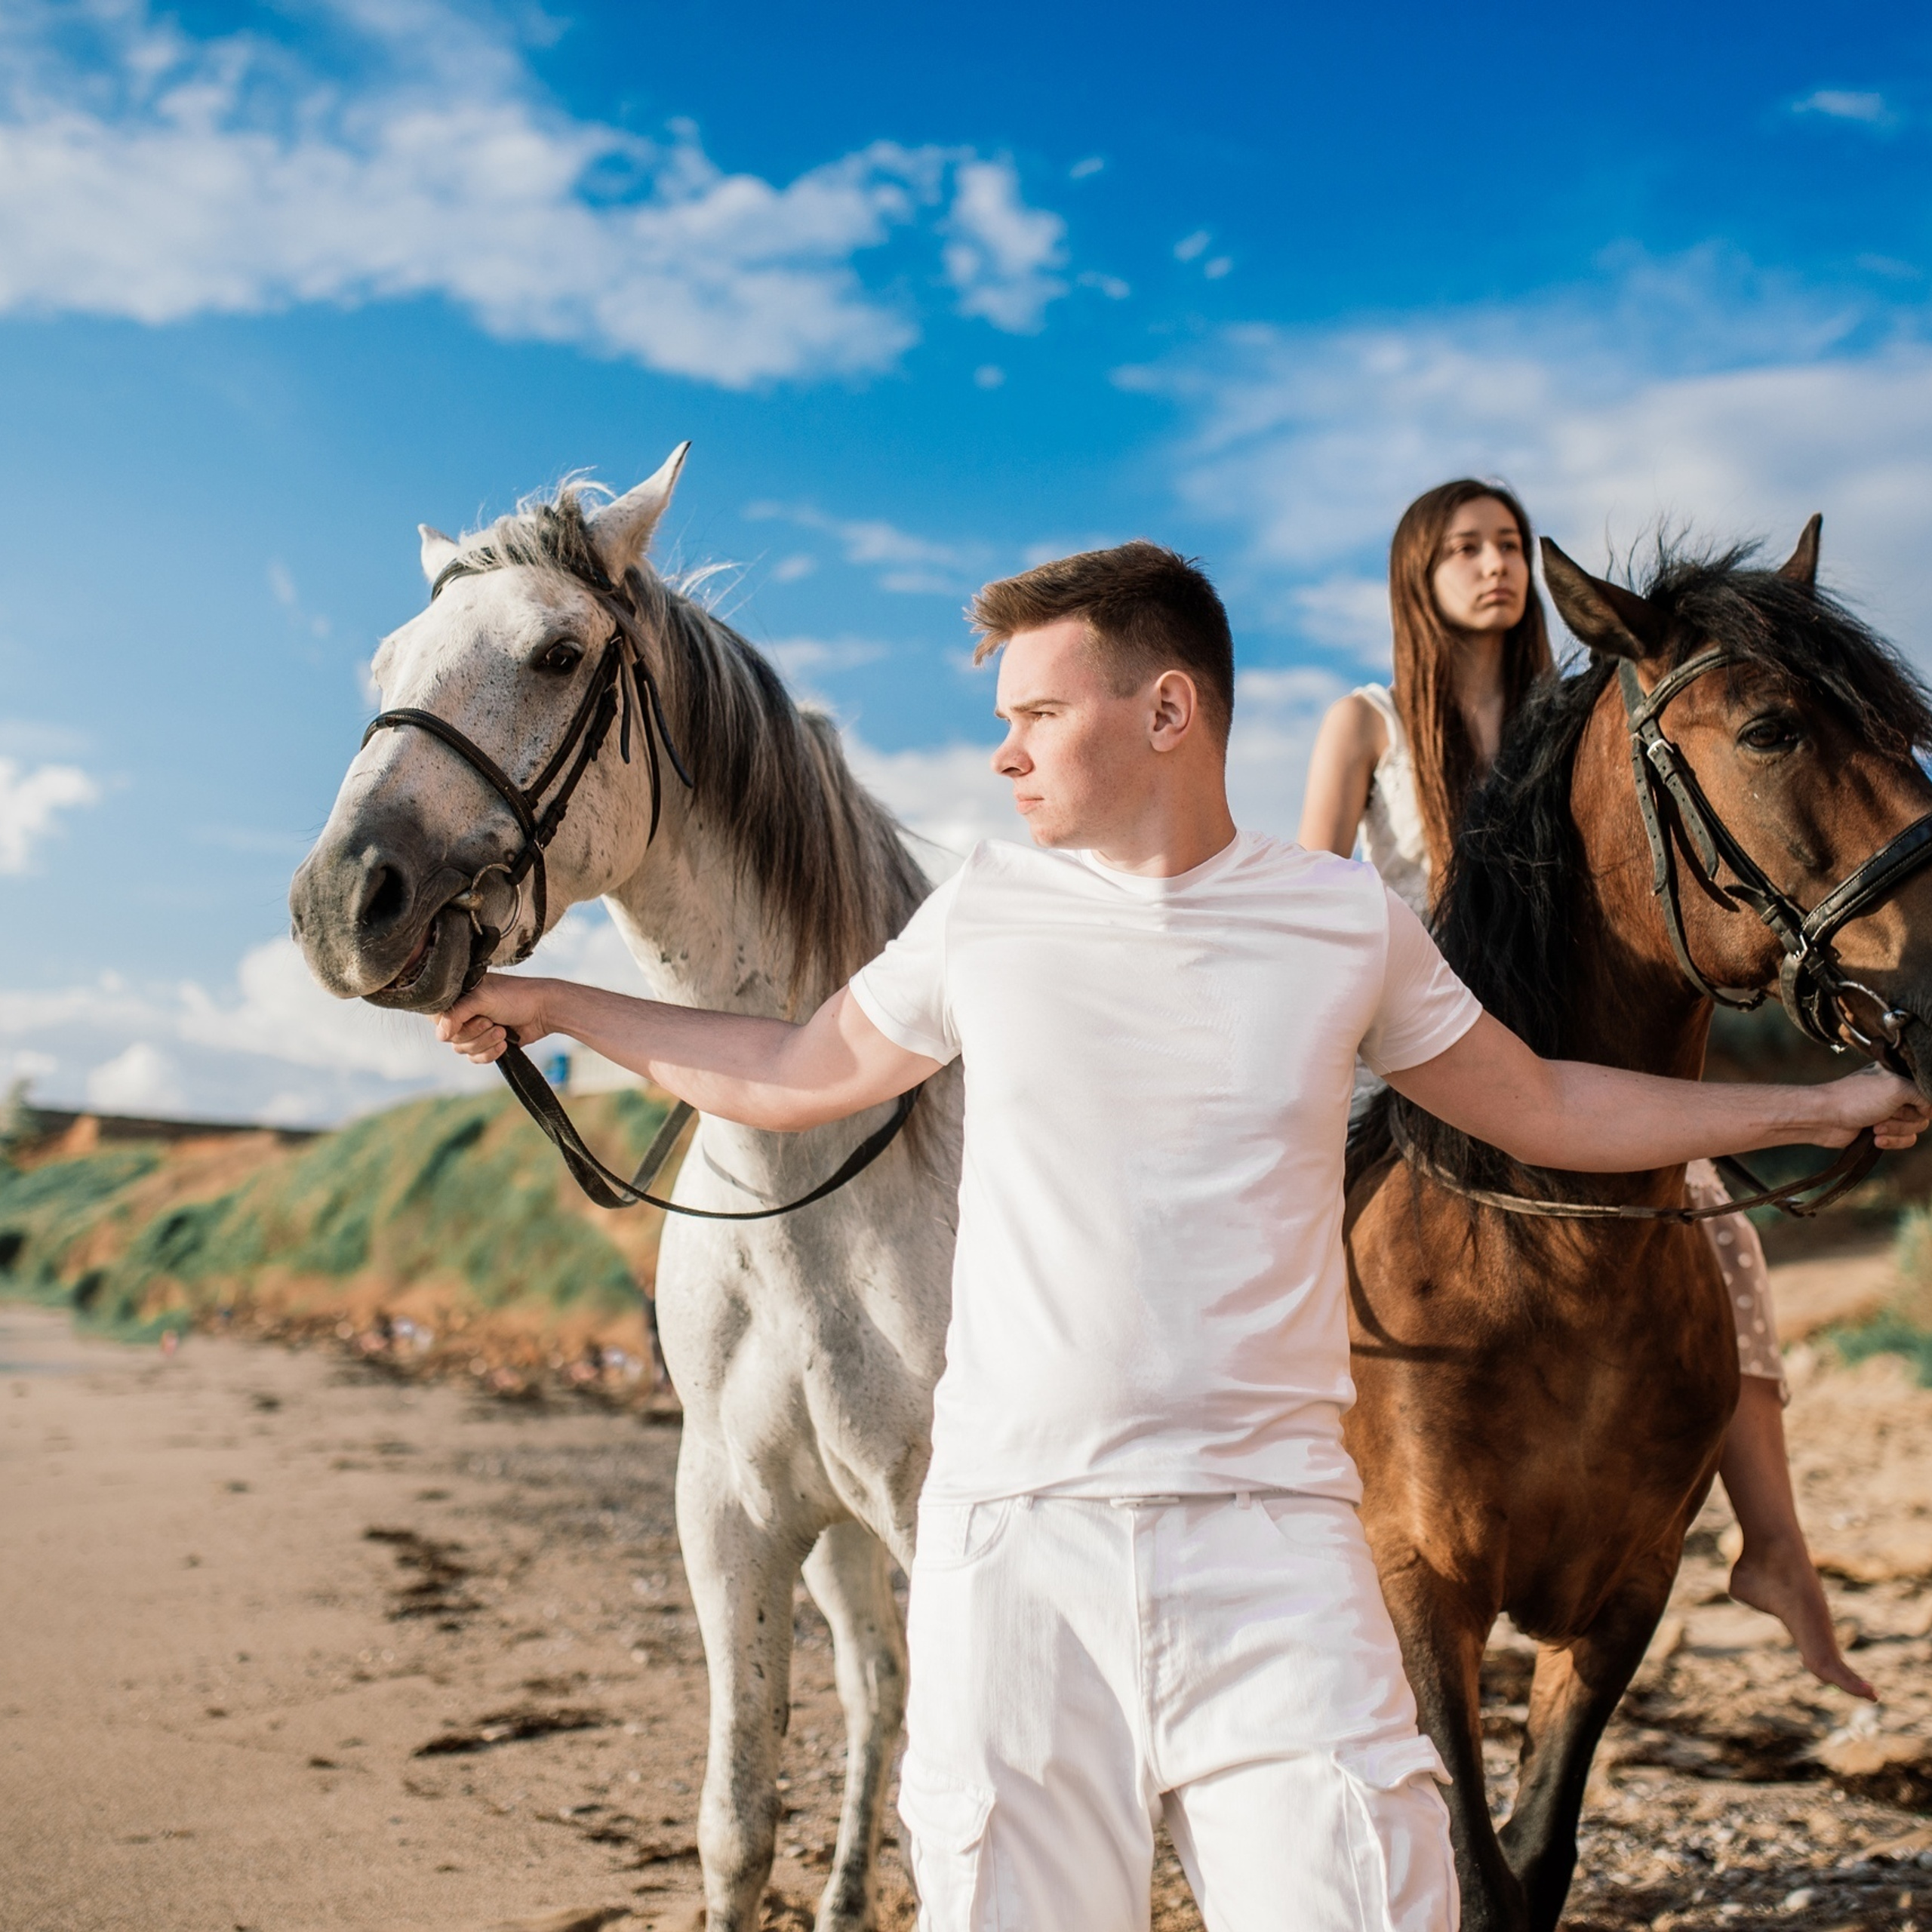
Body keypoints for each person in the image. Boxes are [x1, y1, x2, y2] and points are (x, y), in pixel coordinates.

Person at [440, 543, 1924, 1931]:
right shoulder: (983, 918)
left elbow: (1534, 1101)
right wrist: (560, 1005)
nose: (1002, 750)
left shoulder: (1341, 921)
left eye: (1034, 710)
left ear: (1164, 709)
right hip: (1015, 1544)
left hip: (1271, 1545)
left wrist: (1820, 1105)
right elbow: (787, 1068)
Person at [1298, 478, 1875, 1702]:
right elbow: (1314, 890)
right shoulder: (1366, 722)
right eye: (1464, 549)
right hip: (1404, 1028)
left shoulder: (1586, 708)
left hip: (1554, 1036)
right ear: (1419, 575)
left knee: (1712, 1227)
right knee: (1286, 1212)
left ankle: (1774, 1546)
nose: (1494, 566)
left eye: (1508, 544)